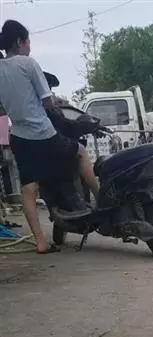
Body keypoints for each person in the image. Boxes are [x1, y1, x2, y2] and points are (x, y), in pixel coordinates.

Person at [0, 20, 99, 254]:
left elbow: (3, 108)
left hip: (20, 138)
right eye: (28, 42)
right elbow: (47, 102)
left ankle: (41, 243)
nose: (30, 46)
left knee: (28, 191)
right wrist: (56, 101)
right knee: (80, 152)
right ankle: (102, 200)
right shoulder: (28, 63)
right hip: (43, 134)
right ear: (19, 42)